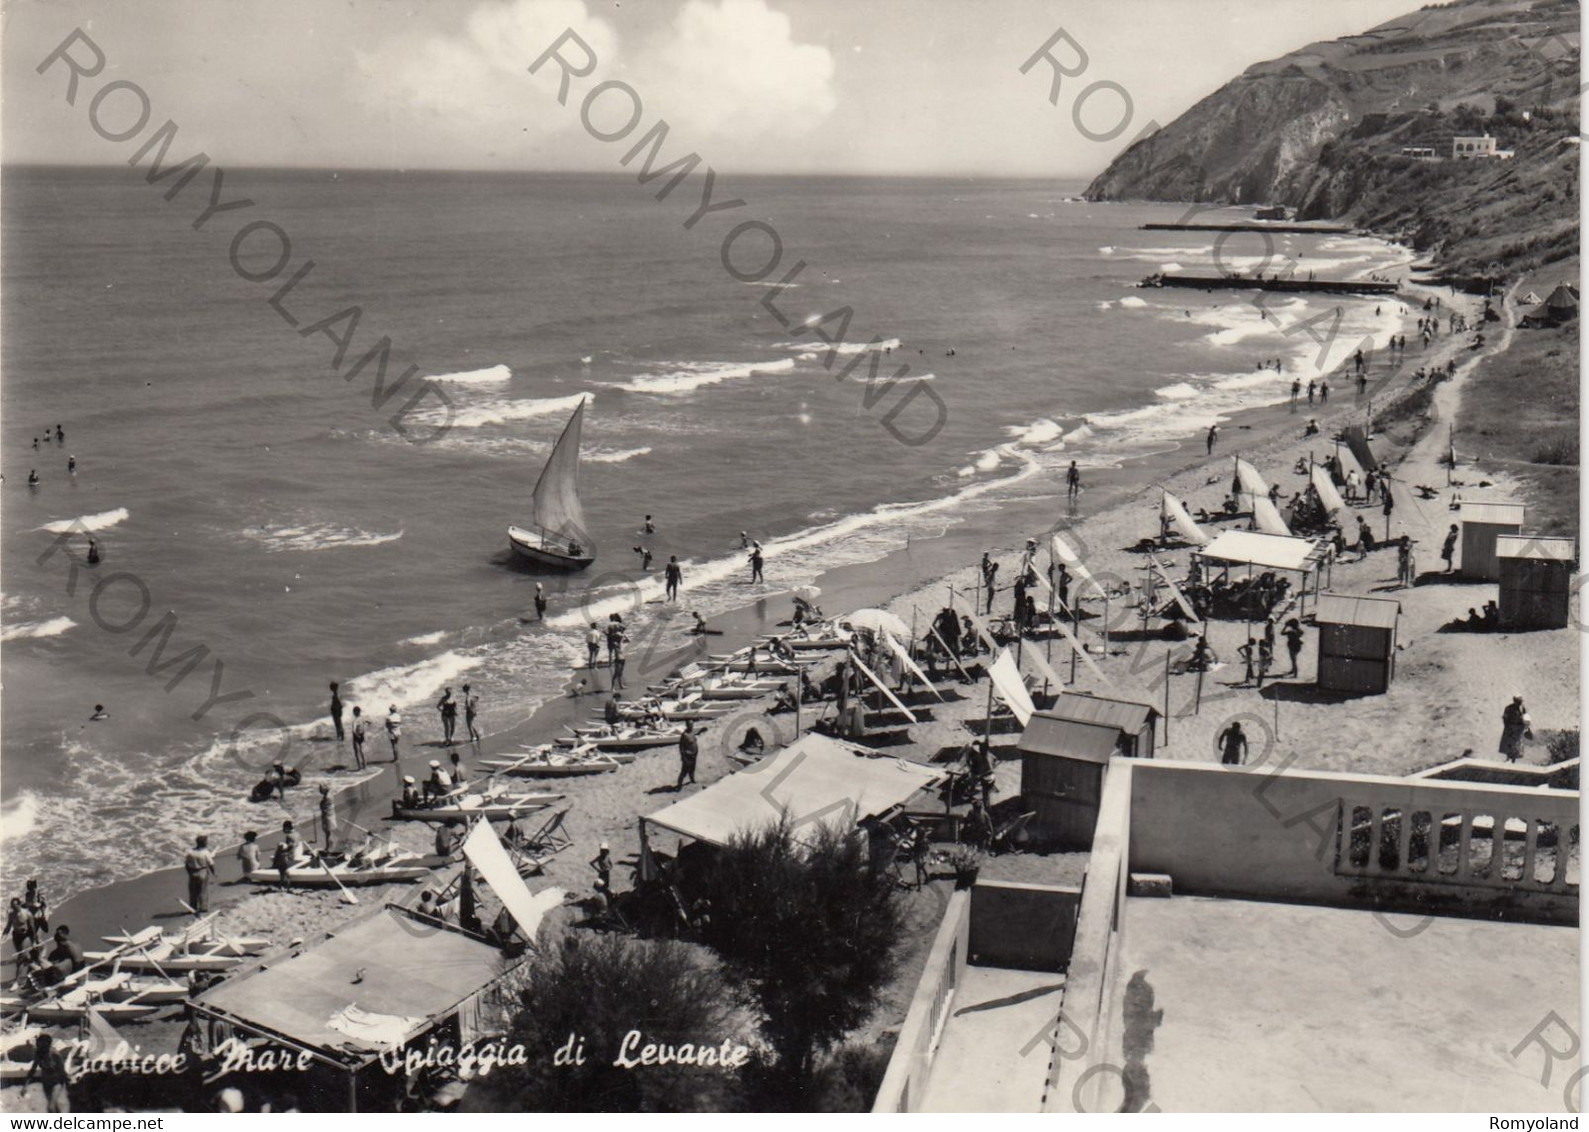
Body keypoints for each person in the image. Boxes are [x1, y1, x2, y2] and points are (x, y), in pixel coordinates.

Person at [25, 1033, 70, 1113]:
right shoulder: (38, 1054)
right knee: (53, 1107)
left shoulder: (54, 1054)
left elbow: (62, 1070)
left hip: (57, 1082)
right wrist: (25, 1085)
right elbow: (33, 1070)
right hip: (46, 1082)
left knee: (51, 1107)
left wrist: (66, 1083)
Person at [185, 835, 216, 913]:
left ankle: (193, 907)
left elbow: (187, 864)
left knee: (193, 892)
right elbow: (210, 864)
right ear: (204, 843)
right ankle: (203, 907)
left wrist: (189, 873)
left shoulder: (190, 852)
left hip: (193, 872)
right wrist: (214, 872)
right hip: (202, 871)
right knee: (203, 890)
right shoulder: (205, 852)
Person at [6, 898, 37, 965]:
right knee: (21, 956)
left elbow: (32, 928)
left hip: (25, 935)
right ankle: (22, 972)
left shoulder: (27, 913)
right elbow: (8, 926)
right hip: (16, 936)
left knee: (24, 954)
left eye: (15, 905)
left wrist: (34, 941)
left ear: (19, 904)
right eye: (12, 906)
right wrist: (3, 936)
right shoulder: (11, 915)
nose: (14, 907)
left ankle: (35, 966)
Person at [1499, 696, 1531, 762]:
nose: (1520, 703)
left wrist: (1526, 727)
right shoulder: (1509, 708)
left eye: (1520, 702)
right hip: (1510, 729)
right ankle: (1508, 758)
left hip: (1519, 729)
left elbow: (1526, 718)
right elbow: (1505, 718)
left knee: (1517, 744)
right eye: (1518, 701)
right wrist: (1508, 726)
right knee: (1509, 743)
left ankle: (1513, 760)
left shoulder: (1522, 708)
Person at [676, 721, 698, 790]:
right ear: (687, 725)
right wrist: (683, 757)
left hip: (693, 755)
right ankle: (679, 785)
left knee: (692, 769)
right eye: (690, 725)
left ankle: (692, 780)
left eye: (692, 725)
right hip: (687, 756)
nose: (692, 726)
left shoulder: (692, 732)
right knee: (684, 771)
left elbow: (694, 741)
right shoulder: (684, 735)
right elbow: (681, 747)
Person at [350, 705, 367, 770]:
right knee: (362, 751)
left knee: (356, 752)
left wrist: (357, 736)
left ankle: (359, 767)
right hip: (362, 735)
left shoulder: (355, 721)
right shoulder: (362, 718)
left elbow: (353, 731)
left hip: (356, 737)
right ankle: (365, 765)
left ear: (355, 712)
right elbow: (365, 724)